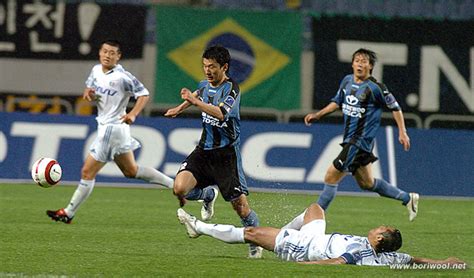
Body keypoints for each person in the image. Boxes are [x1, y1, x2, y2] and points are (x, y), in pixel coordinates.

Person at [47, 39, 173, 224]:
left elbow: (144, 94)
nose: (108, 55)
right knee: (131, 171)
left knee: (87, 172)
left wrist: (133, 114)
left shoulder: (122, 77)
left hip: (112, 129)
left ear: (118, 56)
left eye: (112, 53)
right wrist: (88, 92)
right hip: (112, 130)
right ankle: (175, 185)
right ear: (99, 52)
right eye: (105, 51)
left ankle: (68, 212)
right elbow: (90, 87)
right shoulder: (96, 70)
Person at [164, 45, 262, 258]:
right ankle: (208, 194)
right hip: (203, 151)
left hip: (226, 155)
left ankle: (256, 240)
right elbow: (198, 93)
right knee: (179, 189)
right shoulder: (203, 85)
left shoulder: (232, 89)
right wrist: (179, 109)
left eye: (212, 67)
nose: (207, 71)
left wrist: (194, 102)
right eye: (205, 66)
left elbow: (220, 113)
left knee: (241, 209)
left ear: (224, 67)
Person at [304, 48, 419, 221]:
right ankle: (407, 198)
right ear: (352, 64)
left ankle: (312, 223)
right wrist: (318, 115)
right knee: (367, 183)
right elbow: (337, 102)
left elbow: (395, 108)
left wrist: (402, 132)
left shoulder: (376, 88)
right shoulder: (347, 81)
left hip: (359, 141)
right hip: (351, 140)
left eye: (364, 61)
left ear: (370, 66)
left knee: (330, 176)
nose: (360, 64)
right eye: (357, 60)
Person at [176, 204, 466, 267]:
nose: (378, 225)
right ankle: (279, 236)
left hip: (306, 247)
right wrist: (445, 262)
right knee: (314, 209)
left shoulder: (362, 252)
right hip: (318, 236)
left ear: (379, 238)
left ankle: (197, 228)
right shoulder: (387, 254)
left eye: (381, 228)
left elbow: (339, 262)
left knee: (251, 233)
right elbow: (413, 260)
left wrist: (306, 266)